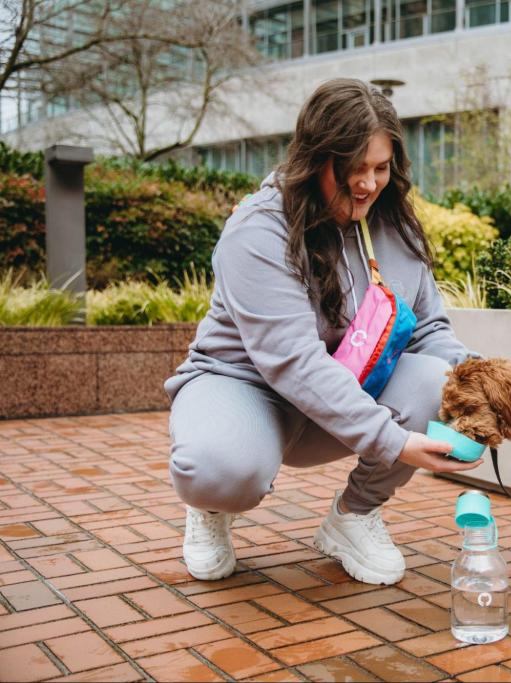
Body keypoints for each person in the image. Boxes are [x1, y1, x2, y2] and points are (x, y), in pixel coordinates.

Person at [164, 78, 483, 586]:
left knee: (439, 379)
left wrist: (487, 388)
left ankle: (353, 518)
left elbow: (428, 330)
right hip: (244, 387)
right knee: (220, 468)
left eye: (380, 168)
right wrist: (393, 441)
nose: (368, 184)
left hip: (337, 400)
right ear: (315, 159)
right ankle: (211, 506)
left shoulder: (393, 226)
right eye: (353, 168)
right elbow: (294, 363)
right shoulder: (257, 231)